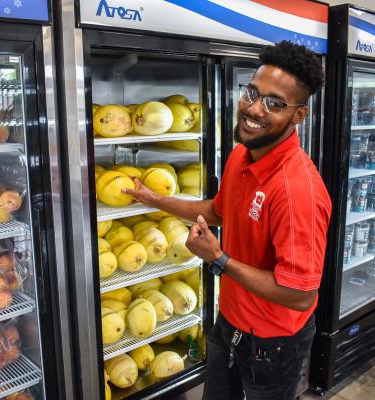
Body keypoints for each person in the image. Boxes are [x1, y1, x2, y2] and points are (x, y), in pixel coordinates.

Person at [124, 41, 332, 400]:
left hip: (274, 343)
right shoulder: (241, 155)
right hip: (230, 321)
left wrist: (218, 259)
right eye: (252, 92)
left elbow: (300, 295)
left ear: (299, 116)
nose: (254, 108)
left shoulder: (298, 191)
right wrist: (154, 199)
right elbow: (219, 212)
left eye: (275, 103)